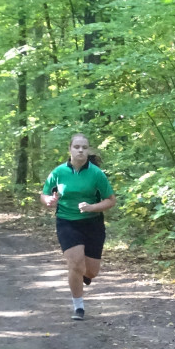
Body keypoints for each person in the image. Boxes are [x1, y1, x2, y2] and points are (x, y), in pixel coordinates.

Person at [40, 134, 116, 321]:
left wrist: (92, 207)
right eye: (77, 147)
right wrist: (48, 200)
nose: (80, 150)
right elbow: (44, 194)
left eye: (84, 147)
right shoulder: (58, 172)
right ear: (70, 149)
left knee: (91, 271)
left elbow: (111, 200)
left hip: (92, 223)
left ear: (88, 150)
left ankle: (83, 276)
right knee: (75, 264)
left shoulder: (96, 174)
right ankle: (78, 307)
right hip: (67, 221)